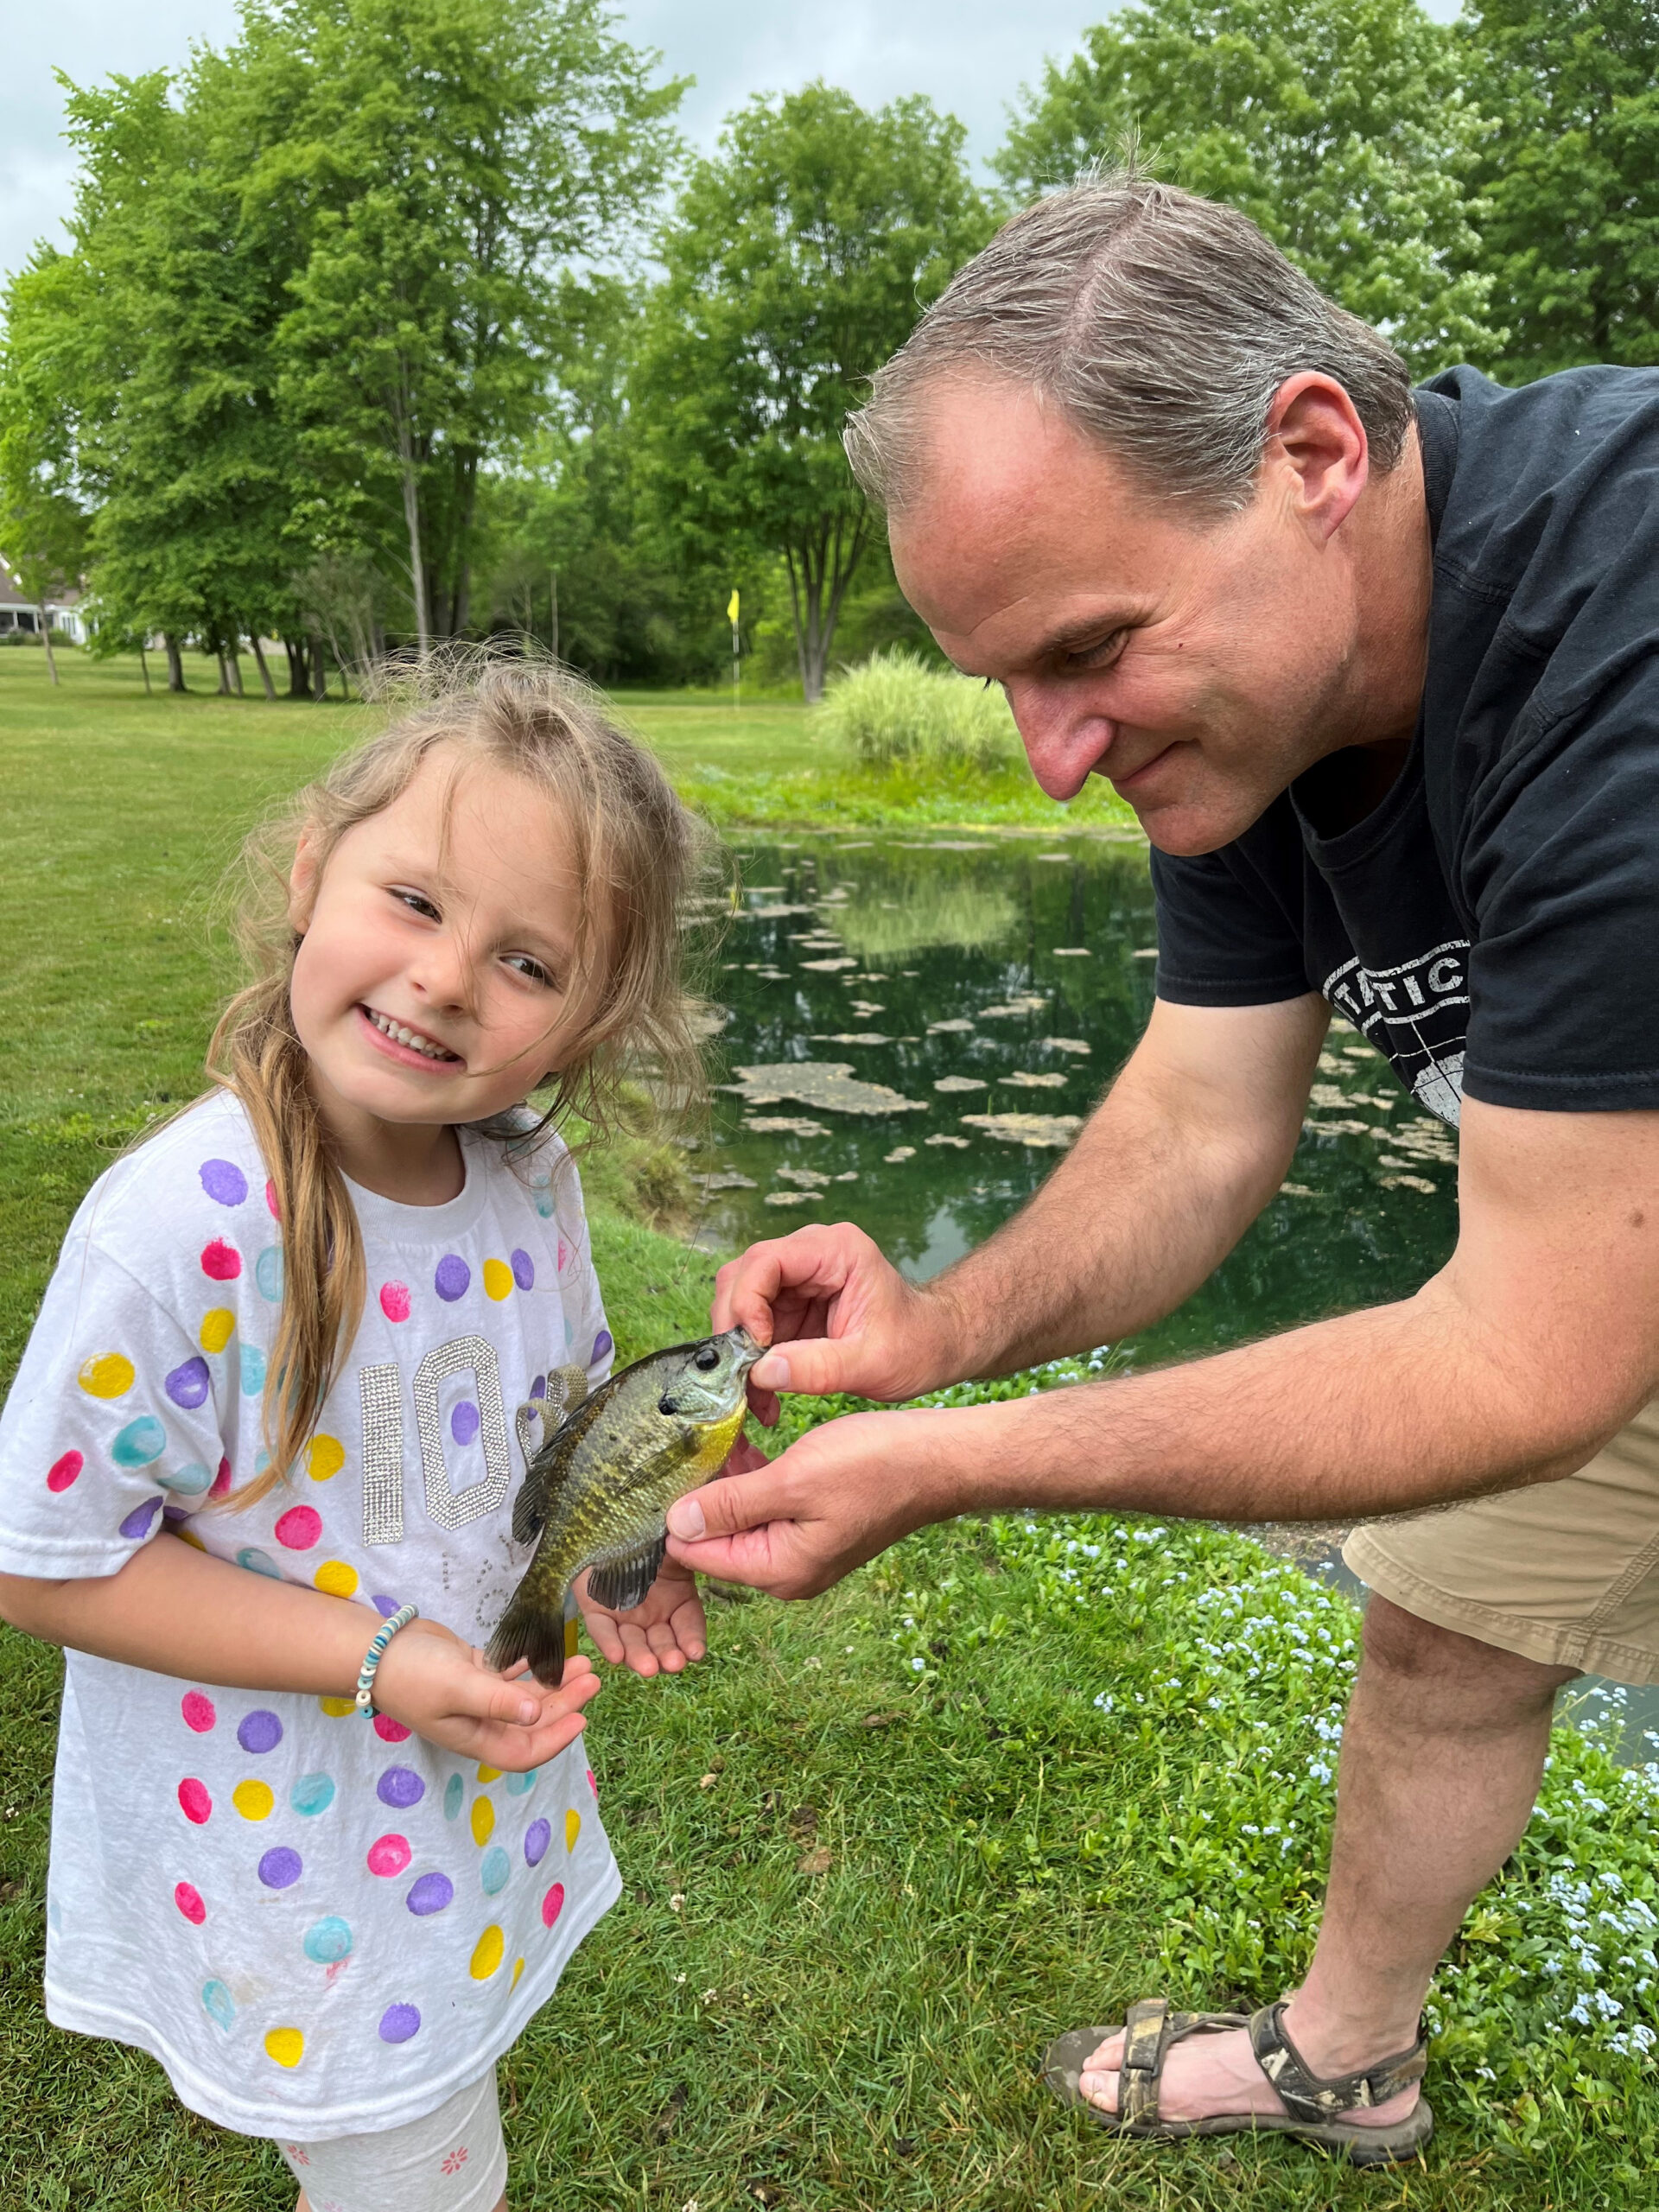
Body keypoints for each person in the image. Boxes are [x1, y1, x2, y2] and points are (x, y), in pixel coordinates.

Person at [663, 174, 1659, 2165]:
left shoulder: (1617, 633)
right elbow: (1201, 1120)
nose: (1049, 752)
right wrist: (942, 1327)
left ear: (1312, 450)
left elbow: (1526, 1361)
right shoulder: (1254, 711)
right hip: (1607, 1207)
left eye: (1087, 649)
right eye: (1008, 679)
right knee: (1449, 1615)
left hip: (1579, 1264)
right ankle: (1349, 2056)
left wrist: (949, 1468)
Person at [0, 656, 713, 2212]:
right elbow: (43, 1566)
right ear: (314, 873)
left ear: (588, 1022)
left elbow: (566, 1434)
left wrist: (623, 1553)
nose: (449, 980)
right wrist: (385, 1663)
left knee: (432, 2126)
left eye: (529, 962)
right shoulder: (187, 1229)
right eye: (414, 901)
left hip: (461, 1811)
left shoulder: (533, 1186)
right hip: (291, 1849)